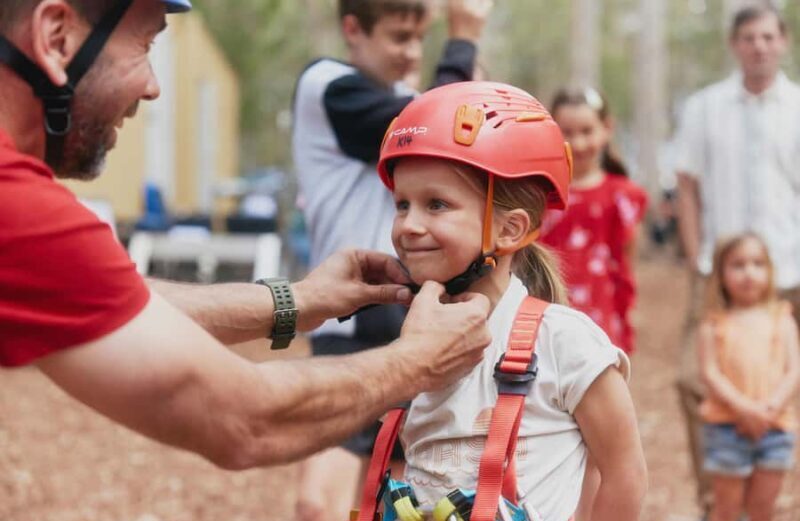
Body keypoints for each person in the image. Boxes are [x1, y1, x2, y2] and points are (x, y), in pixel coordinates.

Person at [0, 0, 493, 475]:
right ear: (56, 36)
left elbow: (120, 304)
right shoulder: (16, 205)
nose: (152, 88)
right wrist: (419, 361)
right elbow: (248, 420)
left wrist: (296, 300)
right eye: (144, 46)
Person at [357, 81, 647, 521]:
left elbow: (624, 470)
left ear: (510, 230)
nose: (409, 225)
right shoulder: (415, 339)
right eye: (401, 204)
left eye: (436, 204)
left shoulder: (563, 342)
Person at [291, 0, 492, 521]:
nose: (411, 54)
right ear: (353, 29)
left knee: (409, 498)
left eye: (419, 40)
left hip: (420, 310)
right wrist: (464, 36)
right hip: (353, 314)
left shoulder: (407, 101)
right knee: (321, 502)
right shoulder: (328, 86)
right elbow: (441, 123)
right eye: (399, 37)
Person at [673, 6, 800, 521]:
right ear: (734, 44)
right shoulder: (706, 108)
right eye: (748, 38)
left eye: (768, 37)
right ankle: (719, 502)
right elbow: (686, 184)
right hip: (719, 274)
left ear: (784, 41)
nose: (759, 47)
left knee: (787, 382)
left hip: (790, 271)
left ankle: (767, 499)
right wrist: (696, 255)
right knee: (691, 379)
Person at [698, 233, 799, 521]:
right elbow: (710, 373)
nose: (749, 273)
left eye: (757, 264)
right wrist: (745, 410)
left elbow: (793, 371)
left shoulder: (782, 318)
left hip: (775, 430)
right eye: (738, 265)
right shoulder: (713, 323)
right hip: (728, 429)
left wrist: (768, 409)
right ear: (721, 273)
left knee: (763, 515)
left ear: (769, 271)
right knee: (725, 514)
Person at [541, 87, 648, 355]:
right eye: (567, 132)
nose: (577, 144)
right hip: (547, 308)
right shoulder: (539, 194)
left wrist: (626, 312)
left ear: (606, 129)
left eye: (587, 131)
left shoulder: (622, 195)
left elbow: (625, 261)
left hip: (602, 311)